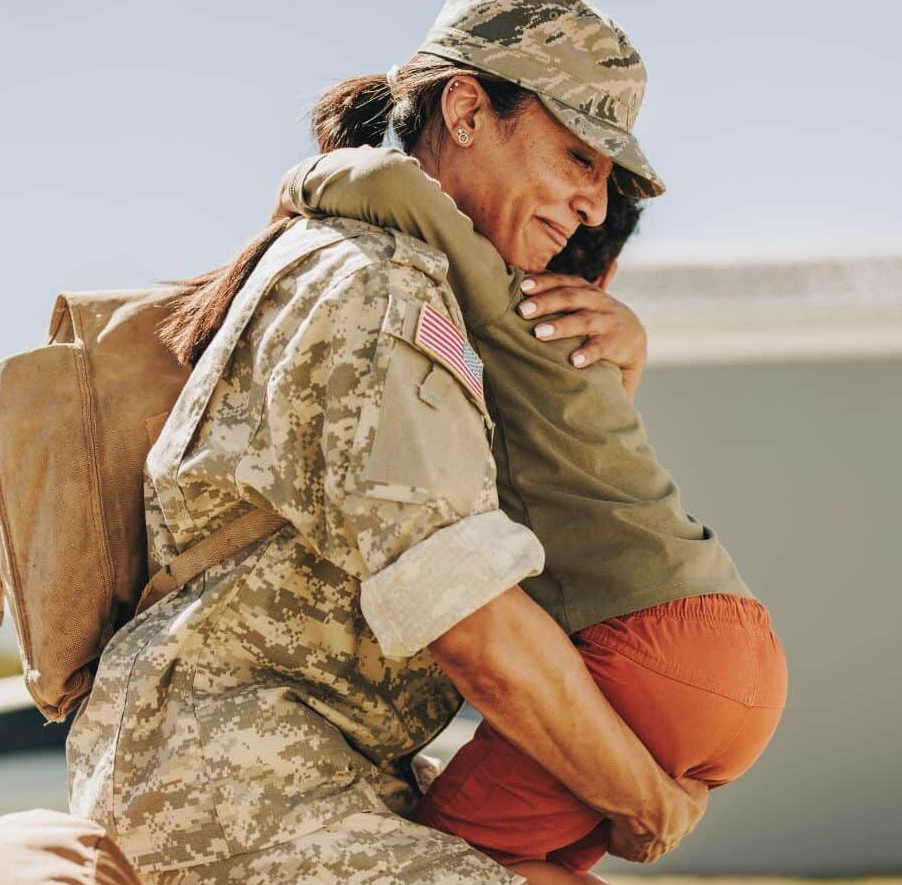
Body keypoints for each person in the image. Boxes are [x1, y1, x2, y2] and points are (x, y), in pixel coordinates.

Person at [65, 1, 719, 882]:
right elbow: (472, 621)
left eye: (606, 173)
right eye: (577, 155)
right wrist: (644, 797)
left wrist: (608, 372)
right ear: (465, 110)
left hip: (314, 780)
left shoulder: (396, 275)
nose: (592, 201)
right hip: (231, 798)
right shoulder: (379, 288)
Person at [274, 141, 787, 877]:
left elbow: (385, 180)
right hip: (741, 654)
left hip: (645, 648)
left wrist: (295, 187)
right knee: (535, 860)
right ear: (605, 278)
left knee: (451, 863)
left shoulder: (511, 302)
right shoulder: (594, 357)